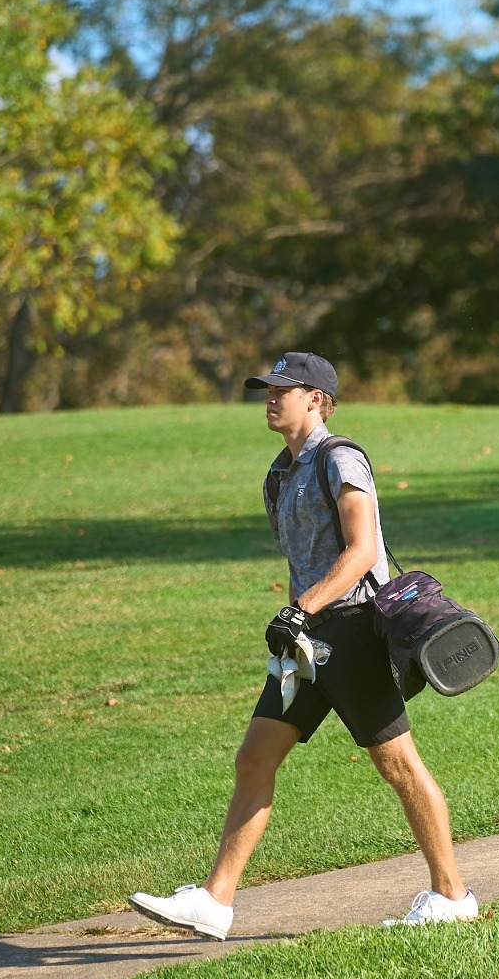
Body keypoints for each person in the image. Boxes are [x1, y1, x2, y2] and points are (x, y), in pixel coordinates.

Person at [130, 352, 476, 938]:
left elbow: (362, 551)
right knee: (255, 757)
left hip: (354, 630)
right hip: (308, 640)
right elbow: (302, 563)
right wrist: (296, 624)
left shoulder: (340, 459)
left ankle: (452, 894)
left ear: (314, 398)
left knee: (397, 763)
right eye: (266, 389)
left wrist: (302, 609)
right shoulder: (279, 473)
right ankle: (215, 902)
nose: (269, 397)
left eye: (281, 389)